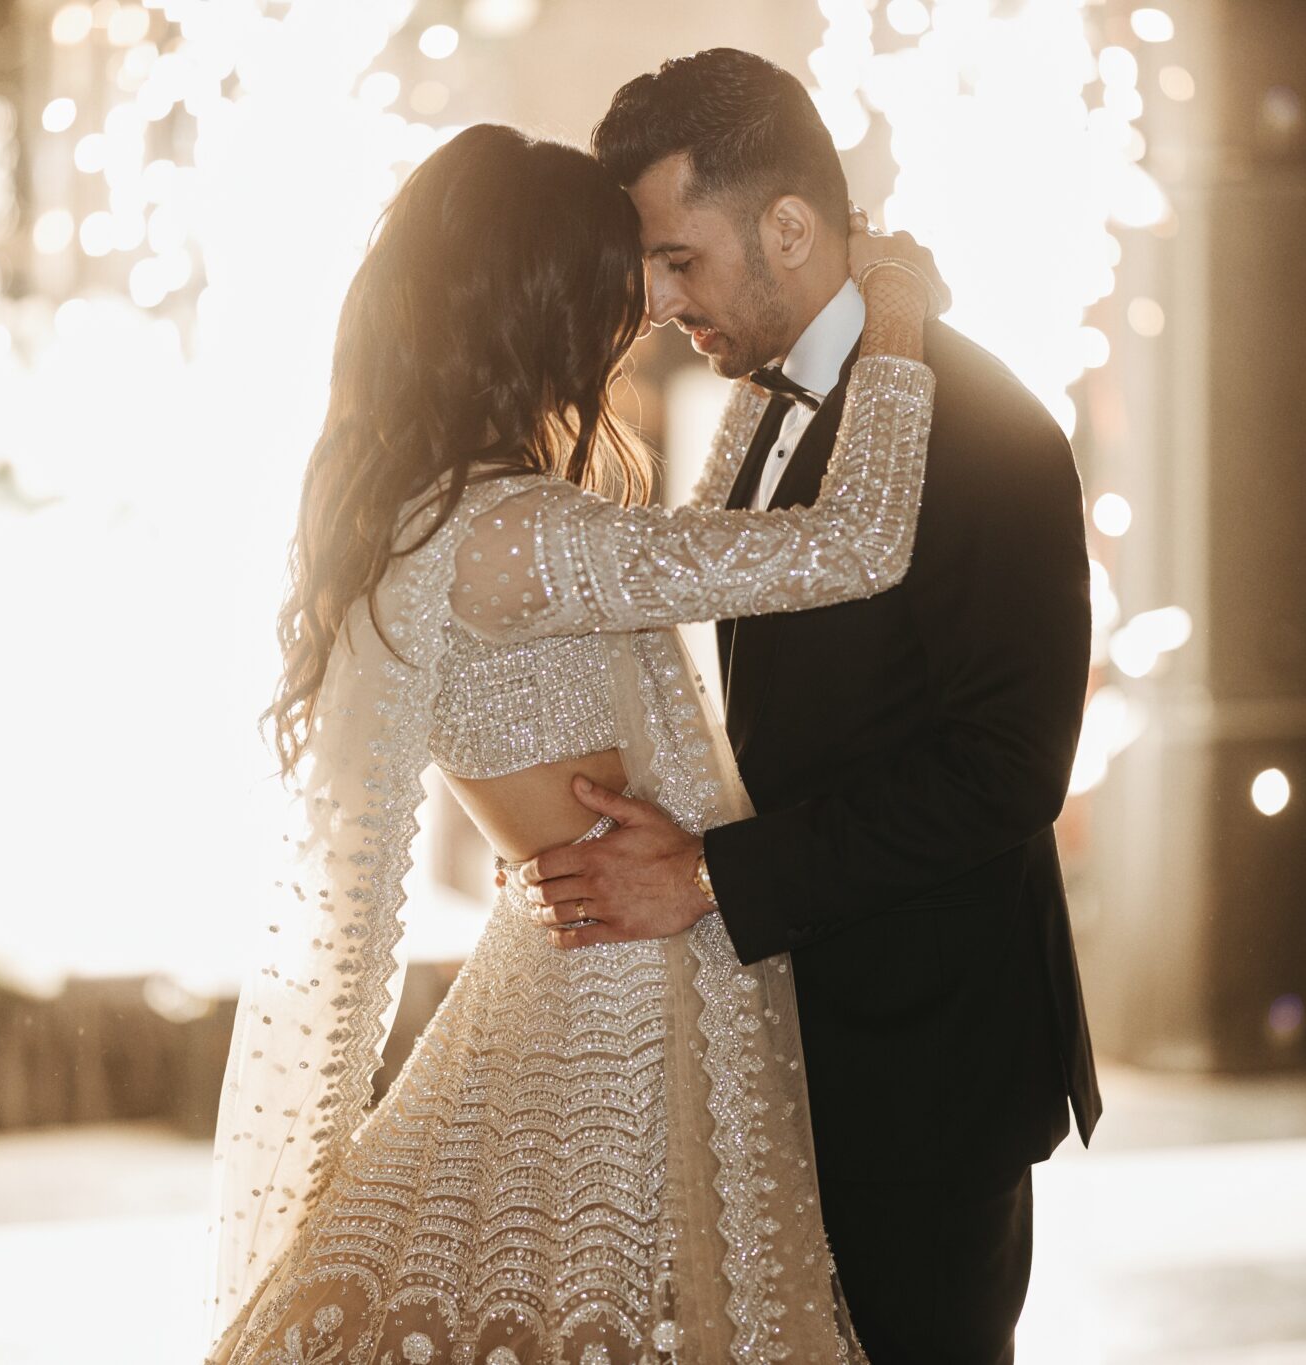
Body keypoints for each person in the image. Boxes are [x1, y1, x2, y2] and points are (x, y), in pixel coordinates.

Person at [202, 119, 941, 1365]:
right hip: (617, 1013)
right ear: (537, 302)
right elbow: (857, 542)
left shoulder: (452, 518)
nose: (645, 306)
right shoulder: (518, 536)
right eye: (619, 276)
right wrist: (898, 308)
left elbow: (688, 552)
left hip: (576, 968)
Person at [513, 49, 1104, 1364]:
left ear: (787, 226)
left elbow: (1006, 768)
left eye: (679, 260)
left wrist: (711, 877)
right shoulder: (754, 410)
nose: (659, 303)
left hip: (927, 1052)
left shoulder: (987, 428)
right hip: (793, 1028)